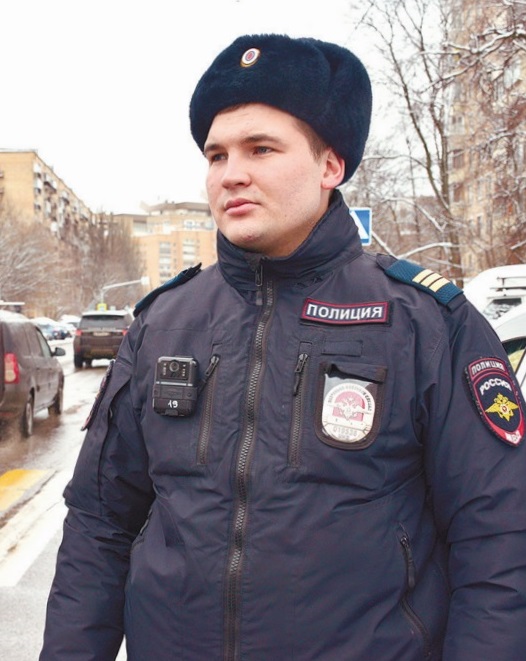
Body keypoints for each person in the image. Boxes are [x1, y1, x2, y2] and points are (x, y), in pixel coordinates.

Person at [40, 33, 526, 661]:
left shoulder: (425, 324)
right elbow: (98, 526)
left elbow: (500, 541)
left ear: (331, 167)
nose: (231, 174)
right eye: (216, 155)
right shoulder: (164, 323)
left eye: (261, 149)